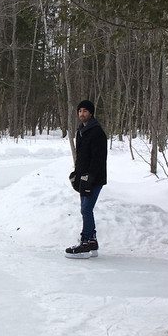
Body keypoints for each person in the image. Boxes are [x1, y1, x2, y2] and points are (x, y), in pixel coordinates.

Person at [66, 100, 108, 259]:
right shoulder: (81, 130)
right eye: (79, 111)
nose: (81, 114)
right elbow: (81, 157)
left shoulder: (97, 132)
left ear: (91, 113)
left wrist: (89, 176)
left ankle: (84, 243)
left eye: (85, 111)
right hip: (84, 178)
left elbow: (99, 158)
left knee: (86, 209)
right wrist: (77, 173)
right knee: (86, 209)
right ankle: (92, 241)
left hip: (94, 179)